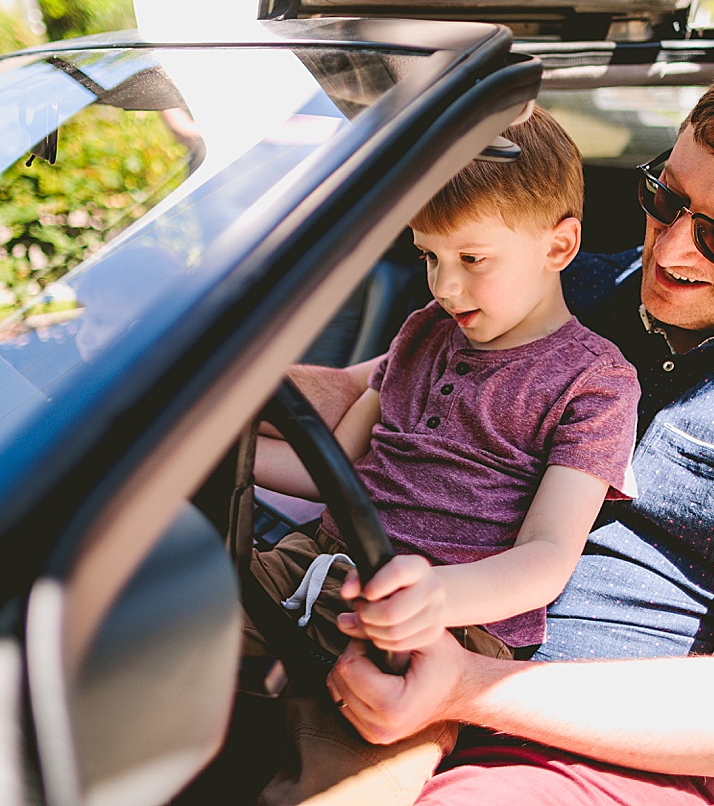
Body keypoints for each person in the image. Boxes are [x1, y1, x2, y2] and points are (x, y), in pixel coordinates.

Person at [310, 50, 714, 805]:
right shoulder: (573, 287)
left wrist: (468, 689)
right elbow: (364, 398)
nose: (672, 246)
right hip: (385, 632)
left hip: (614, 763)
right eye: (665, 196)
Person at [247, 105, 641, 805]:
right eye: (429, 256)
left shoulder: (595, 384)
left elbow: (547, 558)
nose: (443, 285)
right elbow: (335, 473)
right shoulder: (425, 331)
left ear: (559, 246)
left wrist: (436, 596)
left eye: (471, 260)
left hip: (446, 633)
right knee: (138, 633)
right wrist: (220, 459)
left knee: (344, 789)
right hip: (312, 566)